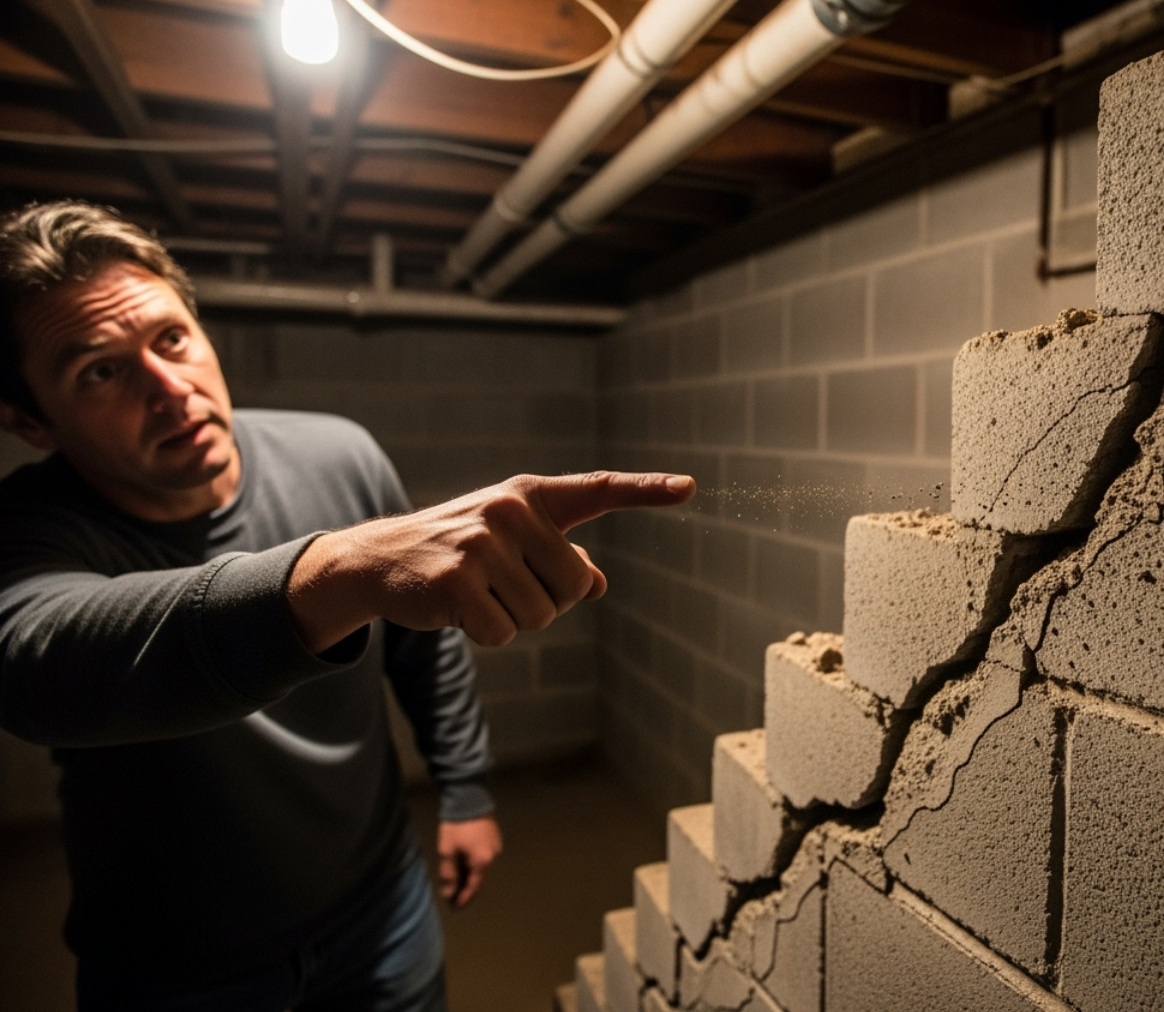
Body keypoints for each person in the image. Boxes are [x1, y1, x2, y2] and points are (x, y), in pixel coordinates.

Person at [0, 200, 695, 1011]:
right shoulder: (29, 528)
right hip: (174, 963)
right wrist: (340, 570)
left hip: (380, 913)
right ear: (30, 422)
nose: (168, 388)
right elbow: (39, 663)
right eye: (99, 371)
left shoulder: (338, 453)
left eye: (172, 339)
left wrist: (467, 790)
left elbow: (425, 649)